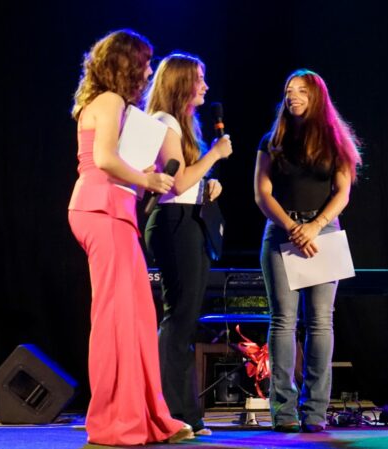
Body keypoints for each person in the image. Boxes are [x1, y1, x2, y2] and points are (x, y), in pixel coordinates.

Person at [67, 29, 193, 445]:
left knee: (138, 318)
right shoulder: (110, 100)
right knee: (115, 321)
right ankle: (112, 421)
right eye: (143, 61)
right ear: (125, 64)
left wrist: (147, 179)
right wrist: (148, 178)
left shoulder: (106, 103)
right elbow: (103, 159)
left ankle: (148, 415)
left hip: (113, 212)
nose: (148, 69)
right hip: (101, 210)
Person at [254, 69, 361, 433]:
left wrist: (314, 227)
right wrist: (292, 228)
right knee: (283, 321)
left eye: (300, 91)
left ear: (316, 97)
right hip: (281, 232)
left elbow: (342, 192)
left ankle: (314, 411)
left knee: (320, 321)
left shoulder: (335, 141)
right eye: (288, 91)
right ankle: (283, 411)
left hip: (324, 232)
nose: (293, 96)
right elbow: (262, 194)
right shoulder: (273, 139)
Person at [144, 53, 233, 436]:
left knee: (185, 319)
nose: (206, 86)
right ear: (182, 83)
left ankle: (186, 415)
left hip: (188, 220)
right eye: (200, 78)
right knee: (178, 318)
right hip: (174, 224)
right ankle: (174, 413)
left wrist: (208, 184)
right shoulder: (164, 123)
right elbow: (176, 183)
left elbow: (187, 181)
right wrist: (215, 154)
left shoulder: (180, 125)